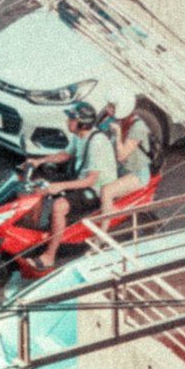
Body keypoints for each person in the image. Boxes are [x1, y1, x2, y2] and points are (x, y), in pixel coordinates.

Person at [29, 100, 118, 272]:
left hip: (95, 190)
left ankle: (49, 257)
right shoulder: (79, 135)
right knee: (38, 186)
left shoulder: (97, 143)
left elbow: (90, 180)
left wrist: (60, 186)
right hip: (80, 177)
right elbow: (66, 155)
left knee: (59, 206)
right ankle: (34, 236)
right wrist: (39, 161)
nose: (67, 121)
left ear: (82, 123)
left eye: (72, 119)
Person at [98, 106, 154, 226]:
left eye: (111, 107)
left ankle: (103, 232)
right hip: (120, 170)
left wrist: (118, 133)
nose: (107, 109)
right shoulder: (116, 121)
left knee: (106, 191)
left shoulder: (138, 127)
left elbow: (122, 156)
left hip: (136, 174)